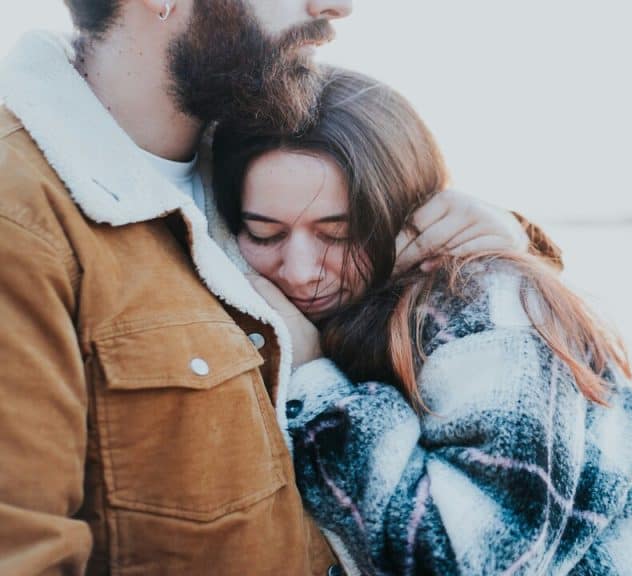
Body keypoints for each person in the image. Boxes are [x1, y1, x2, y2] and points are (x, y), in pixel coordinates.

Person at [0, 1, 553, 574]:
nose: (335, 5)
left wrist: (500, 249)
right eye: (266, 234)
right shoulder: (21, 218)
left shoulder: (254, 154)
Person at [212, 67, 632, 575]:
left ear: (409, 216)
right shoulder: (312, 306)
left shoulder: (491, 303)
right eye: (266, 234)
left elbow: (466, 564)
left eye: (339, 235)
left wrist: (316, 382)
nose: (299, 271)